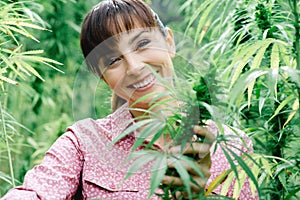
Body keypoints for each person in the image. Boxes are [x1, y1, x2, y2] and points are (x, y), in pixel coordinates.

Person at [1, 0, 256, 199]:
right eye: (113, 60)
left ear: (168, 41)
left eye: (143, 43)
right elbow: (36, 192)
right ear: (101, 77)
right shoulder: (83, 144)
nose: (134, 66)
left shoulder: (232, 146)